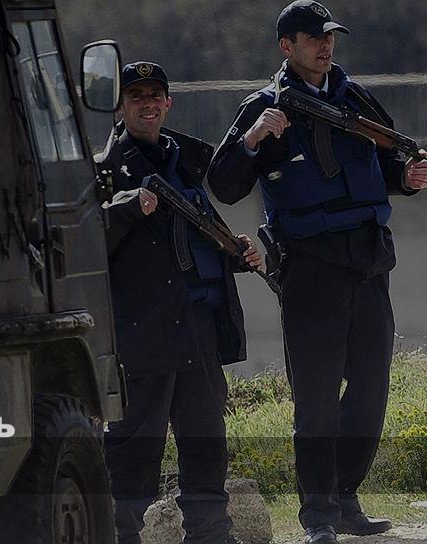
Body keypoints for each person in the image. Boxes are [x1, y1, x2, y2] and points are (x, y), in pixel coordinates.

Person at [206, 2, 427, 543]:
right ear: (286, 46)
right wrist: (253, 138)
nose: (324, 45)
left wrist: (409, 176)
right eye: (312, 37)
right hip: (310, 267)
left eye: (328, 35)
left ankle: (346, 497)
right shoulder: (263, 106)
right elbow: (224, 184)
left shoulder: (356, 99)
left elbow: (387, 164)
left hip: (368, 260)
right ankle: (319, 515)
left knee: (371, 387)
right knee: (315, 397)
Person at [100, 61, 262, 544]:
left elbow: (195, 233)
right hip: (144, 331)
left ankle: (211, 534)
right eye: (136, 96)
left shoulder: (185, 159)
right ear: (121, 107)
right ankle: (120, 537)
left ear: (168, 103)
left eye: (155, 95)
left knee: (206, 440)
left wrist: (235, 252)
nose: (147, 104)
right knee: (134, 447)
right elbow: (83, 241)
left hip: (198, 325)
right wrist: (129, 206)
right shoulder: (104, 169)